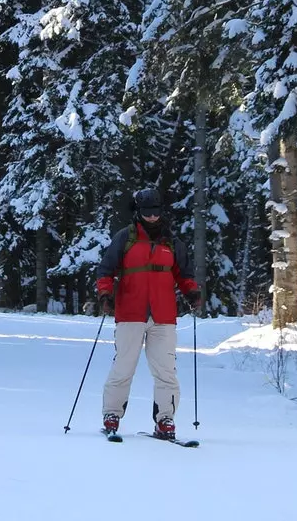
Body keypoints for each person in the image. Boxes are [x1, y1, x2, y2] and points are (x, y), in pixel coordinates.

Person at [95, 188, 201, 440]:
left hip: (163, 316)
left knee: (166, 371)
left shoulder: (172, 242)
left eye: (155, 212)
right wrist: (105, 294)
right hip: (130, 312)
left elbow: (184, 275)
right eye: (146, 212)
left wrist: (192, 293)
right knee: (123, 367)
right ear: (139, 212)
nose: (152, 217)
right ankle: (111, 415)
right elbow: (105, 270)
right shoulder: (125, 238)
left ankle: (165, 419)